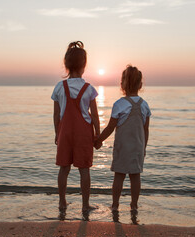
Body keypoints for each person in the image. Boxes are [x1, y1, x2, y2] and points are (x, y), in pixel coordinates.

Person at [51, 41, 100, 212]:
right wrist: (98, 135)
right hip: (83, 134)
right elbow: (94, 115)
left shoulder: (59, 87)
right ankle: (85, 205)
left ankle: (62, 202)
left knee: (64, 169)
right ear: (84, 65)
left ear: (66, 65)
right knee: (84, 170)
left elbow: (56, 115)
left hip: (65, 132)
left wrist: (58, 134)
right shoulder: (89, 89)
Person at [94, 65, 151, 211]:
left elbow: (110, 127)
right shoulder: (145, 105)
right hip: (138, 146)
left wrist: (98, 139)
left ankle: (115, 204)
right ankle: (134, 205)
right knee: (135, 177)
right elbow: (146, 130)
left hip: (122, 147)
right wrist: (144, 147)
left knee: (119, 176)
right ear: (140, 84)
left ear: (122, 84)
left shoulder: (119, 104)